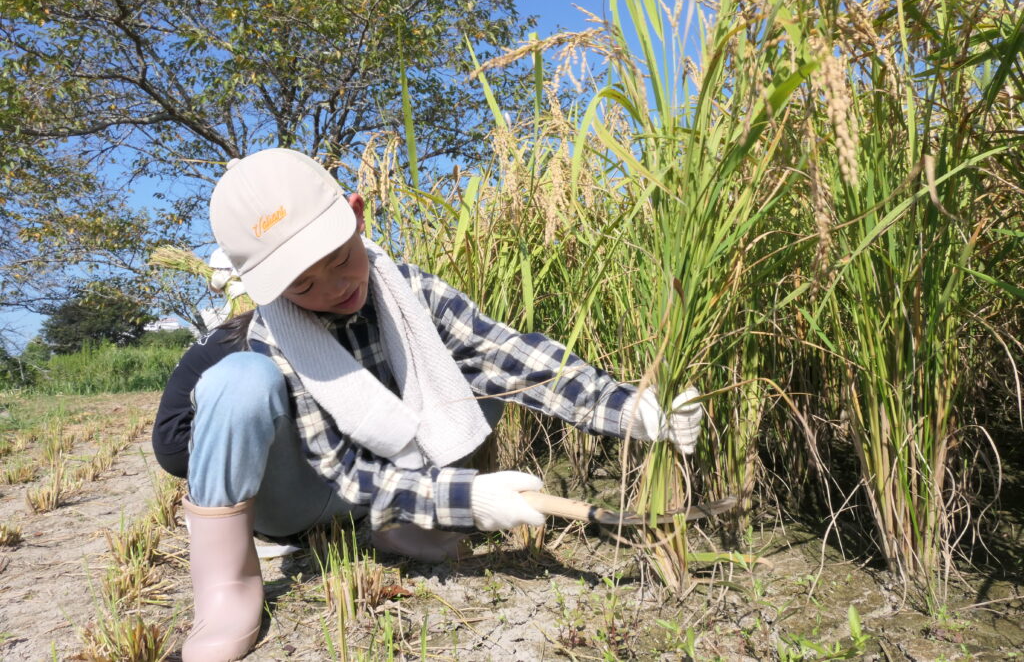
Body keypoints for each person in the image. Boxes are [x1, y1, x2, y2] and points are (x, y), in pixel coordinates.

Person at [152, 147, 704, 662]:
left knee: (469, 363)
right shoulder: (273, 336)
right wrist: (463, 499)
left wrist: (629, 410)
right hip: (304, 496)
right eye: (303, 284)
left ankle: (402, 526)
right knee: (240, 380)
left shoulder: (410, 290)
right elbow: (341, 470)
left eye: (339, 258)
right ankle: (226, 588)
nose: (333, 287)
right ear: (267, 289)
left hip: (396, 489)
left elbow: (510, 357)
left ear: (357, 215)